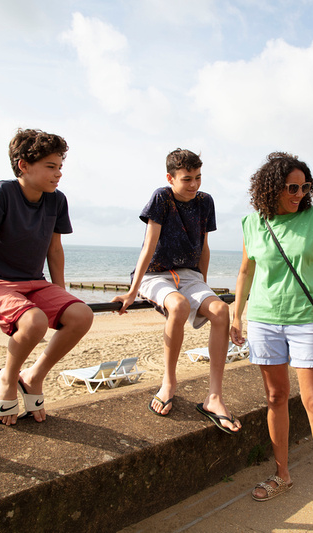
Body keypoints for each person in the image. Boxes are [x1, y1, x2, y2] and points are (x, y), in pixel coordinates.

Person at [230, 152, 313, 526]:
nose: (299, 194)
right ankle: (282, 474)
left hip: (307, 321)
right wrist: (236, 314)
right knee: (274, 397)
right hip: (265, 321)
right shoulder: (252, 223)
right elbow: (244, 271)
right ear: (271, 187)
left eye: (305, 187)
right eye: (292, 187)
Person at [0, 128, 94, 425]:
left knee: (82, 315)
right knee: (35, 321)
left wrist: (62, 293)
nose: (58, 174)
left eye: (60, 167)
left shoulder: (57, 200)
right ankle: (7, 377)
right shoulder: (1, 192)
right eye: (50, 167)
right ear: (23, 165)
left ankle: (33, 376)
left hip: (35, 282)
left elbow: (55, 250)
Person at [112, 149, 240, 433]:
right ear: (170, 178)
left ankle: (214, 397)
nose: (194, 185)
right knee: (179, 306)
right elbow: (148, 246)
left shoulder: (205, 202)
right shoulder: (162, 197)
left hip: (190, 274)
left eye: (198, 178)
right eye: (186, 179)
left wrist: (204, 285)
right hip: (155, 273)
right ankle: (169, 382)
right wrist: (132, 293)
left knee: (220, 310)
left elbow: (204, 247)